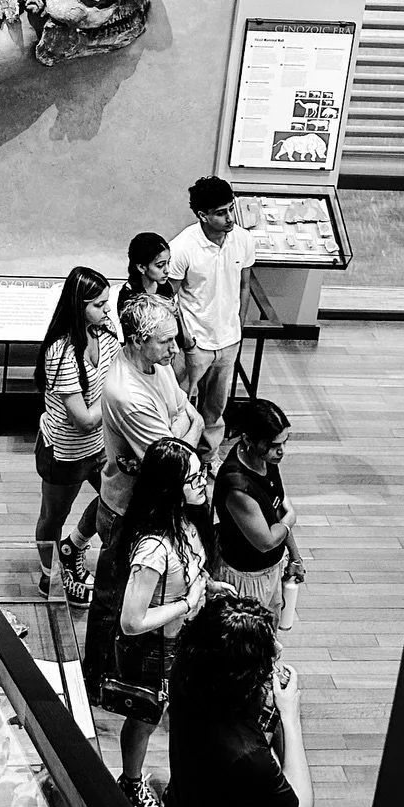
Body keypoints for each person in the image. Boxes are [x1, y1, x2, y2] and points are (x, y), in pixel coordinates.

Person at [82, 438, 219, 807]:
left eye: (201, 474)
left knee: (176, 712)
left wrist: (206, 587)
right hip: (158, 647)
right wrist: (187, 602)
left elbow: (188, 571)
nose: (203, 482)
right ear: (170, 487)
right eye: (194, 477)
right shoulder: (153, 547)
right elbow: (131, 620)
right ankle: (130, 782)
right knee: (145, 718)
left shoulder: (186, 522)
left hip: (184, 639)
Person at [161, 595, 314, 807]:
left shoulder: (186, 670)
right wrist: (290, 718)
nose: (278, 649)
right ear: (242, 675)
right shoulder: (246, 755)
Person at [33, 266, 117, 602]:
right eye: (99, 304)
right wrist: (116, 397)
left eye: (107, 302)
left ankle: (74, 546)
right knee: (53, 516)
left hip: (102, 446)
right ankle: (51, 576)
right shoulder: (61, 352)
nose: (107, 310)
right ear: (78, 306)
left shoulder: (106, 332)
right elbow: (83, 419)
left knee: (117, 499)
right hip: (66, 453)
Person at [95, 296, 205, 551]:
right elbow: (174, 463)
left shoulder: (156, 362)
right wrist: (197, 426)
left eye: (175, 338)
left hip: (154, 503)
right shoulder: (129, 396)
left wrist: (176, 431)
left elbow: (183, 409)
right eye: (166, 341)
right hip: (128, 512)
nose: (175, 349)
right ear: (137, 341)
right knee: (121, 575)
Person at [168, 176, 259, 471]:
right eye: (221, 213)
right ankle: (178, 462)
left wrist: (238, 328)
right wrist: (185, 339)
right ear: (202, 215)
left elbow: (244, 285)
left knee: (215, 407)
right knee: (179, 406)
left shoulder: (243, 240)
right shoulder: (182, 247)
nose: (229, 217)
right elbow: (169, 298)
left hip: (228, 341)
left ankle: (209, 457)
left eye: (231, 209)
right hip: (193, 343)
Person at [212, 398, 304, 619]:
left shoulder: (265, 460)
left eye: (284, 442)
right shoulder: (238, 486)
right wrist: (290, 519)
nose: (281, 451)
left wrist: (295, 557)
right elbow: (266, 542)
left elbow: (277, 510)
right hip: (245, 579)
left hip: (272, 569)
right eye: (273, 445)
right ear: (247, 439)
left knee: (271, 630)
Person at [114, 230, 194, 379]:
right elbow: (136, 345)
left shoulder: (165, 286)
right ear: (141, 267)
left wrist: (187, 344)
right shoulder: (129, 299)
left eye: (168, 263)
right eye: (160, 265)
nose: (167, 270)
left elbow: (175, 316)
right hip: (150, 364)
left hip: (173, 357)